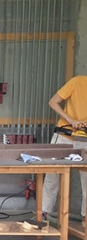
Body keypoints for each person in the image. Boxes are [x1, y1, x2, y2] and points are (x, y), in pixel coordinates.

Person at [42, 75, 87, 218]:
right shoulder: (77, 82)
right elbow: (53, 102)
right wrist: (71, 120)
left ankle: (85, 218)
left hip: (85, 138)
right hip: (64, 135)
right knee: (52, 176)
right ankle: (43, 213)